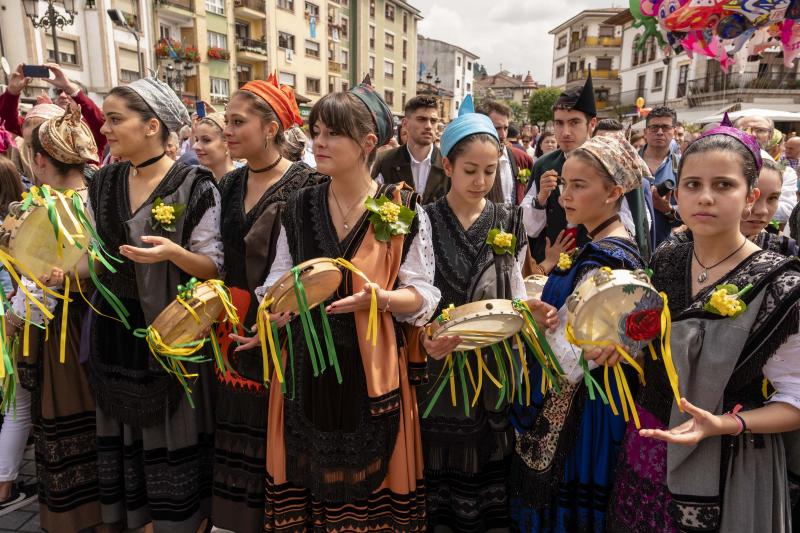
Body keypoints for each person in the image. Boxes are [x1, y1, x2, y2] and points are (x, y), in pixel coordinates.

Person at [243, 79, 439, 531]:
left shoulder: (401, 206)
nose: (319, 142)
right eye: (315, 132)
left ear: (368, 143)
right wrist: (271, 316)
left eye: (332, 133)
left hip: (372, 365)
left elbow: (423, 293)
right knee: (307, 474)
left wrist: (382, 299)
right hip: (305, 362)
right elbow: (279, 278)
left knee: (373, 482)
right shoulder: (298, 204)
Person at [608, 118, 800, 533]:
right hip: (651, 438)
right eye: (692, 185)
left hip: (730, 456)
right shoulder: (668, 256)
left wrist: (725, 424)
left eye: (724, 185)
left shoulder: (782, 285)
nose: (705, 197)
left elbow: (796, 400)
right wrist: (615, 344)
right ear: (675, 194)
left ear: (750, 197)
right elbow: (647, 337)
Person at [88, 77, 223, 532]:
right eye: (106, 118)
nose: (105, 129)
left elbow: (212, 267)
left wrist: (172, 254)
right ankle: (136, 517)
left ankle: (178, 521)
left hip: (171, 330)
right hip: (115, 326)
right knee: (123, 426)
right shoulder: (104, 180)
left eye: (114, 119)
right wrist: (62, 266)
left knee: (172, 427)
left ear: (151, 126)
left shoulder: (192, 183)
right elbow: (91, 253)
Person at [418, 96, 557, 532]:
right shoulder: (423, 219)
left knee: (489, 446)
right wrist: (424, 337)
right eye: (470, 171)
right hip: (443, 356)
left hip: (494, 354)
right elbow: (417, 290)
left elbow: (515, 282)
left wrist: (526, 307)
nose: (480, 181)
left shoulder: (508, 218)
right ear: (447, 165)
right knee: (442, 449)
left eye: (490, 171)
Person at [510, 135, 650, 531]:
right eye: (565, 184)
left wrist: (525, 327)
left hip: (580, 403)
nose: (565, 196)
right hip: (590, 398)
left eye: (579, 186)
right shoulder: (598, 245)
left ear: (614, 192)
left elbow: (573, 355)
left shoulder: (607, 259)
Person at [211, 77, 320, 533]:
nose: (228, 132)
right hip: (231, 322)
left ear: (272, 127)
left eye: (238, 122)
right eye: (226, 122)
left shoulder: (307, 184)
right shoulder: (231, 182)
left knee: (276, 423)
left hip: (285, 322)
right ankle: (236, 518)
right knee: (234, 421)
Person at [5, 107, 107, 532]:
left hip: (62, 329)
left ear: (42, 161)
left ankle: (76, 514)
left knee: (63, 416)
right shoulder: (99, 197)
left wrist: (13, 318)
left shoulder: (55, 208)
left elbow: (41, 278)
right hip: (95, 323)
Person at [523, 72, 651, 263]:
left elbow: (636, 227)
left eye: (574, 122)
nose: (565, 132)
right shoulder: (544, 164)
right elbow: (528, 228)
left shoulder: (616, 164)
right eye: (559, 123)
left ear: (592, 124)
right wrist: (540, 200)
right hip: (551, 267)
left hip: (603, 266)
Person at [0, 64, 107, 157]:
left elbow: (99, 122)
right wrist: (12, 93)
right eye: (59, 91)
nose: (62, 95)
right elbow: (10, 123)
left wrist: (71, 89)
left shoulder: (90, 126)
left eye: (68, 91)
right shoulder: (42, 125)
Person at [372, 94, 447, 204]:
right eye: (421, 119)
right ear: (405, 124)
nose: (428, 126)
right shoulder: (384, 161)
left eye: (433, 121)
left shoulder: (448, 163)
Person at [735, 115, 798, 225]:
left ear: (770, 136)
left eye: (760, 130)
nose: (752, 135)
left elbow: (787, 210)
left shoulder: (784, 171)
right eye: (745, 129)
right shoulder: (718, 167)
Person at [640, 106, 681, 248]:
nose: (659, 132)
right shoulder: (629, 162)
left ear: (674, 132)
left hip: (668, 249)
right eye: (654, 127)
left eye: (665, 127)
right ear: (645, 132)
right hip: (631, 246)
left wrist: (668, 209)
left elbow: (691, 209)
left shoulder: (683, 166)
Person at [476, 100, 521, 205]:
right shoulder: (469, 159)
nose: (503, 135)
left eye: (506, 128)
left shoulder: (519, 158)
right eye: (497, 128)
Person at [192, 112, 234, 181]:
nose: (196, 146)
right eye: (197, 140)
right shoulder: (194, 178)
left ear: (227, 143)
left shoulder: (244, 181)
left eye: (206, 140)